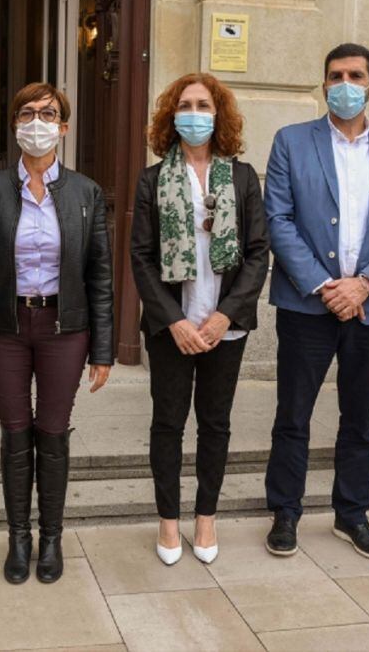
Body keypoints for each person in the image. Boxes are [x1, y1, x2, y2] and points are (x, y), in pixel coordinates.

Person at [262, 43, 369, 561]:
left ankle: (352, 515)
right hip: (308, 305)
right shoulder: (291, 142)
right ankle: (285, 512)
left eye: (355, 76)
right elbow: (278, 220)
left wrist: (365, 284)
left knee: (360, 418)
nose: (344, 84)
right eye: (335, 76)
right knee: (294, 414)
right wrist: (326, 286)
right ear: (323, 83)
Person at [0, 82, 113, 585]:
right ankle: (18, 537)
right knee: (15, 431)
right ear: (14, 124)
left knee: (52, 430)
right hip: (6, 329)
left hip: (65, 330)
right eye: (27, 113)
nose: (38, 122)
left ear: (63, 128)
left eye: (49, 113)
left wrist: (104, 348)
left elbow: (101, 276)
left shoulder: (86, 193)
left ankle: (51, 537)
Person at [130, 72, 269, 566]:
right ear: (172, 116)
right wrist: (175, 321)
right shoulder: (153, 180)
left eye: (203, 105)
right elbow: (141, 257)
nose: (194, 113)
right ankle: (168, 521)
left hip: (223, 327)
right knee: (168, 423)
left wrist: (223, 316)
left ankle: (205, 517)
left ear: (219, 115)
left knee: (216, 423)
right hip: (174, 328)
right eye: (185, 105)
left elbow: (257, 254)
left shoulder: (244, 178)